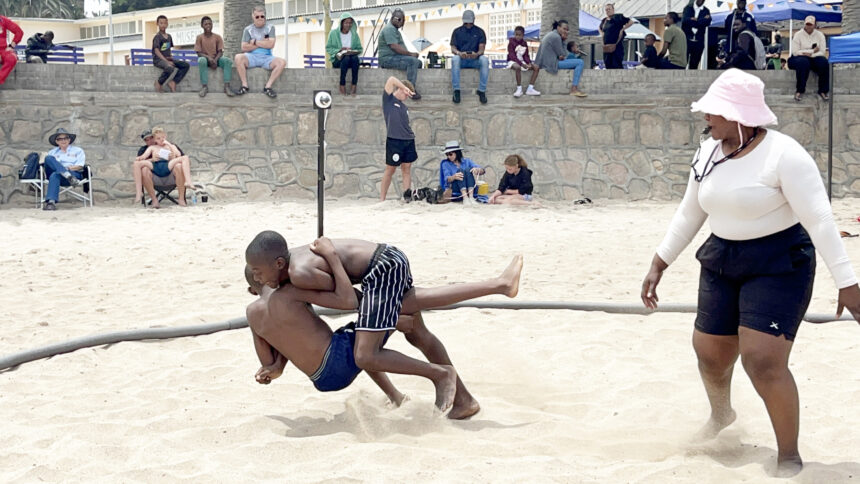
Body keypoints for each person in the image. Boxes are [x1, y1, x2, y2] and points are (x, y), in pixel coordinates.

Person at [641, 69, 860, 477]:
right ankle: (722, 417)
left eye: (712, 112)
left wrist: (847, 283)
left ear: (738, 116)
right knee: (709, 353)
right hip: (722, 257)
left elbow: (820, 220)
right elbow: (691, 211)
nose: (705, 118)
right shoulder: (707, 152)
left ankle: (788, 454)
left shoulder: (785, 155)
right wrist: (659, 262)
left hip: (779, 262)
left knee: (762, 360)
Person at [245, 231, 524, 417]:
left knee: (366, 352)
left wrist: (331, 256)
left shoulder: (300, 274)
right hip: (381, 269)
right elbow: (354, 299)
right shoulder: (288, 275)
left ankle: (498, 286)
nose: (259, 280)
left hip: (382, 268)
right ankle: (463, 401)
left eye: (259, 273)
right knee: (414, 330)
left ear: (279, 262)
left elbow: (348, 298)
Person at [135, 127, 197, 207]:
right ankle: (141, 193)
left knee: (180, 163)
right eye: (147, 139)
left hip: (170, 172)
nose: (150, 141)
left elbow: (180, 156)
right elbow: (141, 159)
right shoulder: (148, 149)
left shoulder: (171, 145)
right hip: (155, 175)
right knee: (141, 168)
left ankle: (186, 187)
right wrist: (152, 159)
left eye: (151, 138)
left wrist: (171, 151)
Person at [234, 5, 287, 98]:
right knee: (238, 57)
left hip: (267, 57)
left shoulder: (270, 28)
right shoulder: (248, 30)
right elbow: (244, 47)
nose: (260, 18)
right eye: (257, 16)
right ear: (253, 17)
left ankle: (268, 87)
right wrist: (263, 43)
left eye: (262, 16)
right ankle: (244, 85)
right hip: (251, 57)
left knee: (282, 62)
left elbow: (271, 45)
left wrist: (254, 42)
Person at [380, 76, 417, 202]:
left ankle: (407, 197)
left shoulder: (403, 106)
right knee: (390, 169)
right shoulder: (388, 100)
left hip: (408, 140)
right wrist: (404, 87)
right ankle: (382, 199)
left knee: (406, 168)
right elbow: (390, 79)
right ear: (401, 90)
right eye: (406, 94)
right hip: (394, 140)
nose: (407, 97)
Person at [377, 9, 422, 100]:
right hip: (387, 59)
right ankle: (410, 89)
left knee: (418, 62)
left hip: (396, 57)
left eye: (402, 20)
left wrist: (410, 55)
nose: (401, 23)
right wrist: (410, 54)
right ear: (394, 19)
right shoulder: (389, 29)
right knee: (413, 62)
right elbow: (394, 47)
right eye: (400, 20)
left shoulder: (394, 30)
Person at [534, 20, 586, 97]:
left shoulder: (552, 34)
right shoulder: (556, 37)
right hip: (552, 64)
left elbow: (561, 56)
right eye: (564, 29)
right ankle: (574, 89)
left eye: (567, 30)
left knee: (576, 61)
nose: (566, 31)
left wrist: (562, 56)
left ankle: (574, 88)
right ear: (558, 27)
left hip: (547, 63)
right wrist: (564, 40)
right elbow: (563, 54)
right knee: (580, 62)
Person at [450, 10, 489, 104]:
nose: (468, 25)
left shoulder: (480, 32)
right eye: (466, 23)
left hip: (475, 60)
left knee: (484, 60)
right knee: (455, 59)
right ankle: (456, 90)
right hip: (461, 59)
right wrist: (459, 53)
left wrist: (476, 54)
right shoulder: (457, 31)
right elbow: (453, 48)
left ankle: (482, 90)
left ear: (474, 20)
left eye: (470, 23)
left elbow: (482, 49)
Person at [42, 128, 85, 211]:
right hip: (62, 176)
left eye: (65, 138)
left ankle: (51, 202)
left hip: (73, 175)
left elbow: (80, 166)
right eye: (60, 139)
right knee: (48, 158)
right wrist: (63, 171)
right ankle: (67, 175)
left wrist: (66, 168)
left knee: (56, 174)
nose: (63, 141)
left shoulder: (78, 151)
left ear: (69, 140)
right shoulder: (52, 152)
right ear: (56, 141)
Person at [788, 16, 829, 102]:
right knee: (803, 62)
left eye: (811, 24)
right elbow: (795, 52)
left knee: (824, 62)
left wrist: (810, 54)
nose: (809, 26)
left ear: (815, 25)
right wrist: (812, 51)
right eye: (807, 24)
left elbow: (822, 52)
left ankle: (823, 91)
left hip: (813, 57)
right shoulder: (798, 35)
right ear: (804, 24)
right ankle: (800, 90)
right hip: (798, 58)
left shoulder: (820, 35)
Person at [194, 16, 234, 98]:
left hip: (216, 59)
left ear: (212, 25)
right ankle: (204, 87)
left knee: (227, 61)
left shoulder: (217, 37)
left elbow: (220, 52)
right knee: (201, 60)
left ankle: (227, 86)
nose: (208, 25)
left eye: (210, 23)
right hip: (205, 59)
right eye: (206, 24)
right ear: (202, 26)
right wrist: (208, 58)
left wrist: (215, 60)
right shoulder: (199, 37)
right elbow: (198, 53)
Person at [326, 12, 363, 96]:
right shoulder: (333, 33)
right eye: (346, 22)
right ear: (342, 23)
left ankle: (354, 85)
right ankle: (342, 84)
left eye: (350, 23)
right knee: (345, 58)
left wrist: (352, 50)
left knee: (355, 59)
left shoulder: (354, 35)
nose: (348, 25)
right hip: (338, 59)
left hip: (351, 58)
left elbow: (359, 48)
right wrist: (339, 50)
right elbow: (328, 48)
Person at [151, 15, 190, 93]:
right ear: (157, 24)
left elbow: (167, 49)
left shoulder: (169, 37)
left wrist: (170, 58)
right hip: (158, 60)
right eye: (161, 23)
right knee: (170, 67)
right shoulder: (157, 37)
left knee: (185, 65)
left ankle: (173, 82)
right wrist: (166, 61)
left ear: (167, 24)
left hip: (167, 58)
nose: (163, 25)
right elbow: (156, 51)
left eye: (165, 23)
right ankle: (159, 83)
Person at [506, 26, 540, 97]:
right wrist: (522, 64)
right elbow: (512, 56)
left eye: (519, 35)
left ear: (523, 35)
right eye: (516, 34)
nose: (517, 36)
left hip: (522, 61)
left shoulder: (524, 43)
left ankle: (530, 88)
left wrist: (529, 63)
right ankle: (519, 89)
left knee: (536, 67)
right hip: (513, 61)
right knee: (517, 67)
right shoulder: (511, 42)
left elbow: (526, 55)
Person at [599, 3, 633, 70]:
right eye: (606, 10)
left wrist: (623, 29)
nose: (608, 11)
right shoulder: (604, 20)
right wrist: (602, 34)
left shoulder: (618, 17)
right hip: (607, 47)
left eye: (609, 9)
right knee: (608, 64)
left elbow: (631, 22)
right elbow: (600, 28)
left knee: (616, 64)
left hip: (616, 46)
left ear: (613, 10)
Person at [682, 0, 710, 70]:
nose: (701, 1)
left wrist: (695, 20)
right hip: (687, 40)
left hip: (699, 41)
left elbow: (707, 22)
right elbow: (685, 21)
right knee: (683, 62)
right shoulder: (688, 8)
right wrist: (701, 20)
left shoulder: (706, 10)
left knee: (694, 64)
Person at [0, 15, 23, 85]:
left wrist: (11, 46)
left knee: (12, 58)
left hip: (3, 50)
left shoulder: (3, 20)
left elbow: (19, 32)